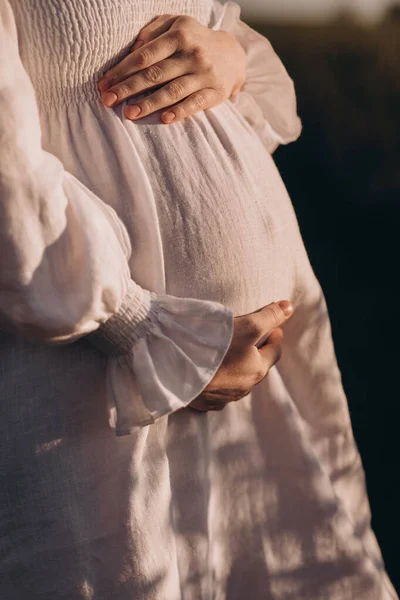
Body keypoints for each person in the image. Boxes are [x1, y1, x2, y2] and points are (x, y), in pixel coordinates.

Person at [0, 1, 396, 598]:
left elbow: (229, 39)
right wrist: (141, 327)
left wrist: (228, 55)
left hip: (255, 388)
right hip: (93, 375)